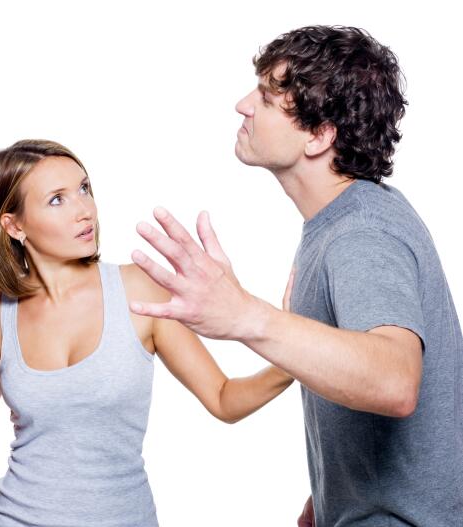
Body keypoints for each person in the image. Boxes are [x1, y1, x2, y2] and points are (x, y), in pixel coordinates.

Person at [130, 25, 463, 526]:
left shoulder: (361, 232)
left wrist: (245, 315)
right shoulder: (348, 218)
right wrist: (332, 498)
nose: (243, 105)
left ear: (318, 135)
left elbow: (395, 380)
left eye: (266, 98)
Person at [0, 139, 293, 526]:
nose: (84, 210)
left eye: (84, 189)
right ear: (14, 225)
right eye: (58, 199)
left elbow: (224, 399)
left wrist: (295, 354)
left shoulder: (139, 291)